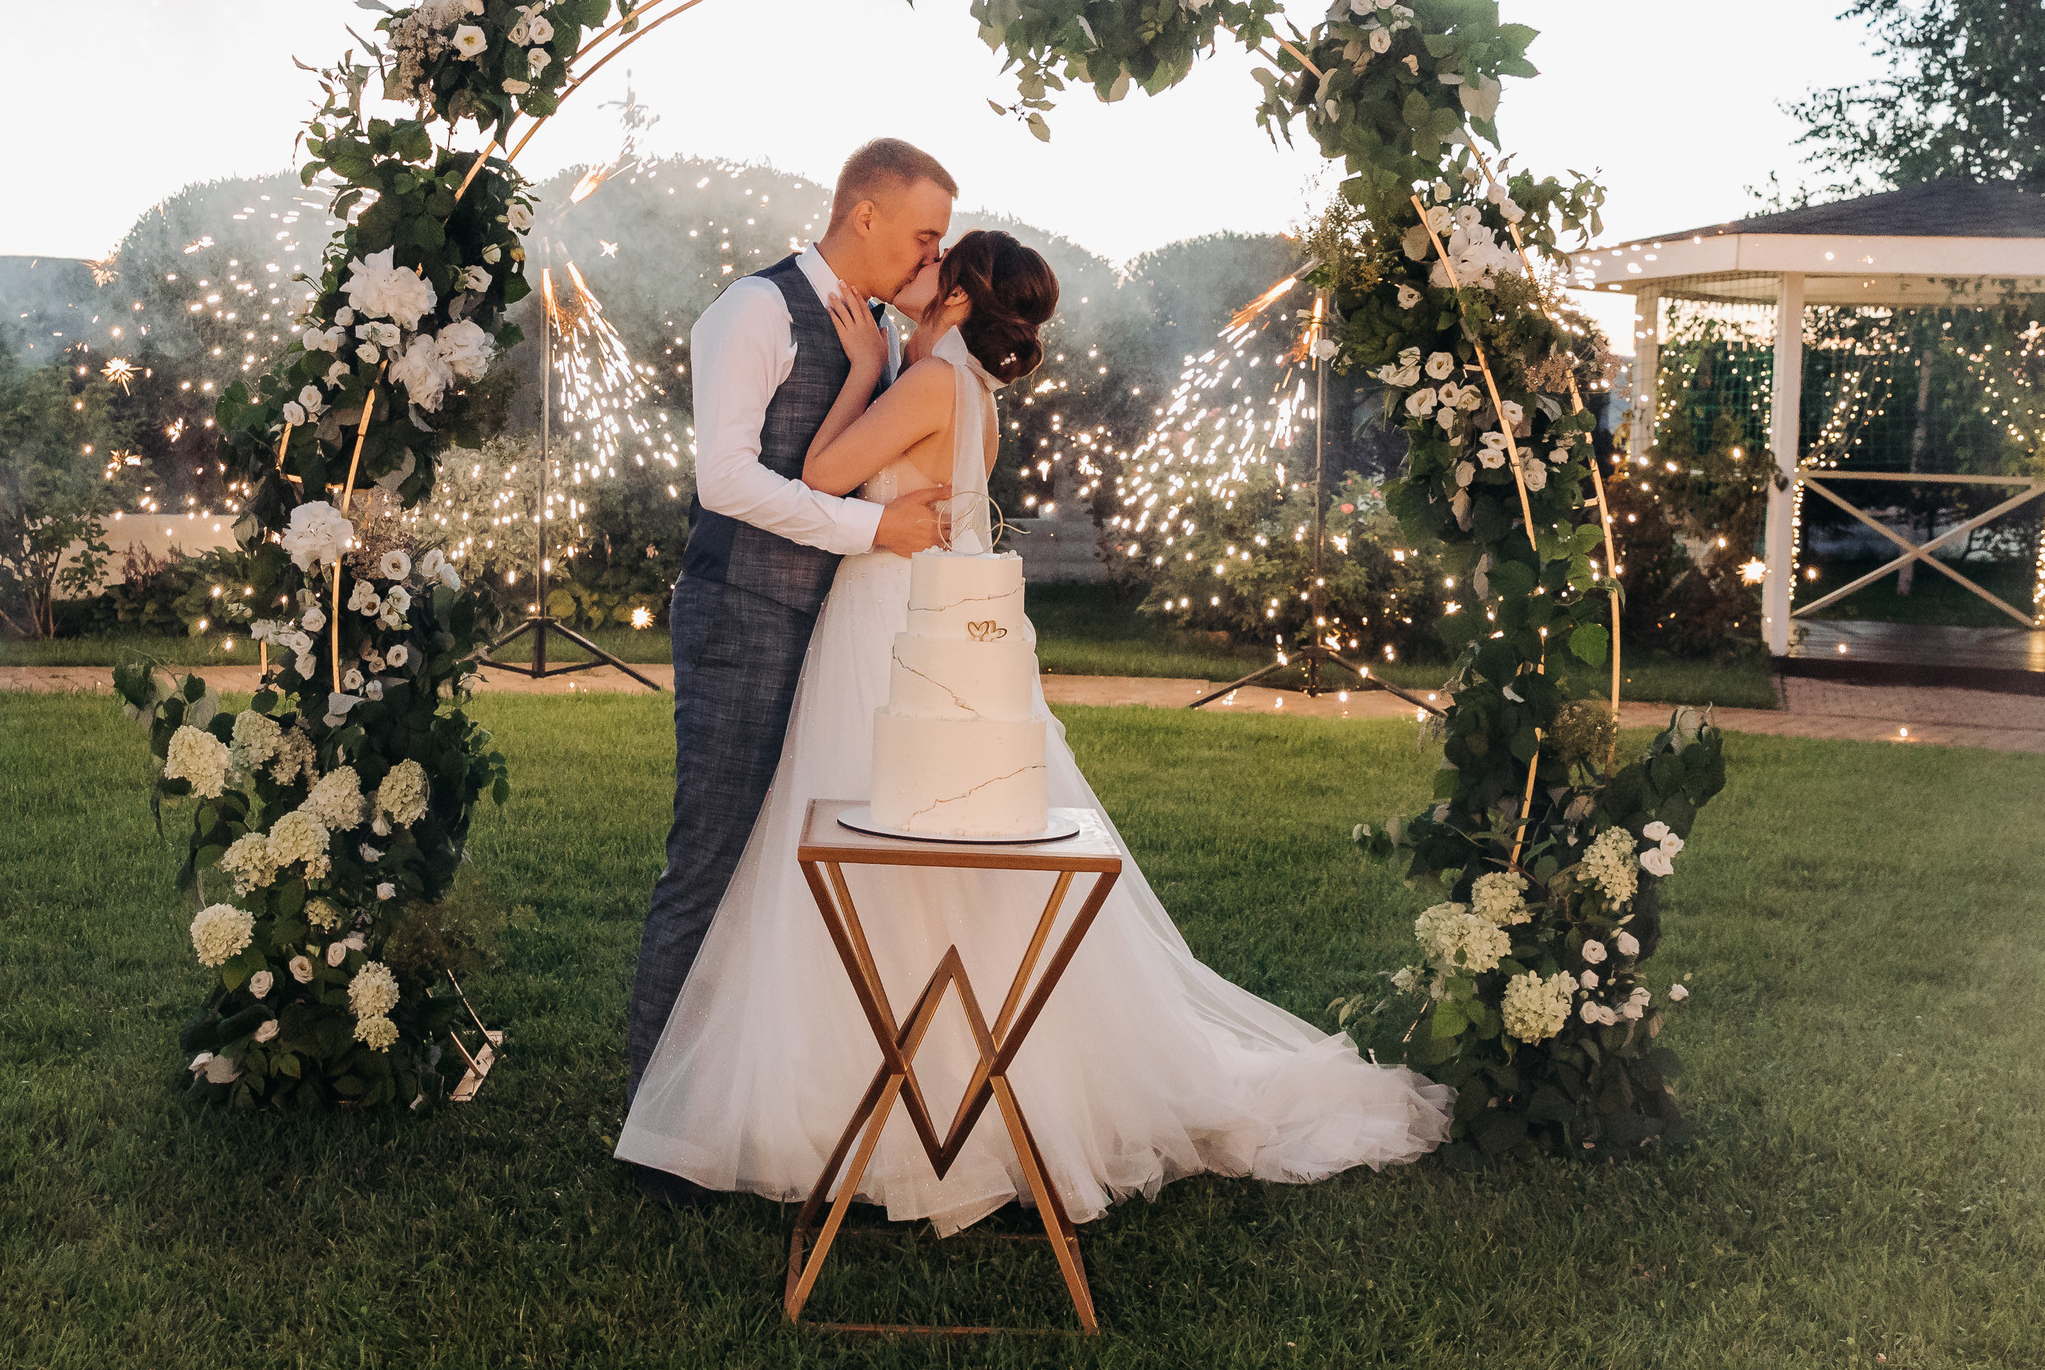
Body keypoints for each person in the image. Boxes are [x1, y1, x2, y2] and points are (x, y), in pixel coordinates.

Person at [617, 226, 1452, 1228]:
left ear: (960, 299)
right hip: (952, 631)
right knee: (944, 854)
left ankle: (897, 1102)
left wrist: (859, 369)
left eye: (934, 267)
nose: (914, 278)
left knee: (881, 845)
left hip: (895, 628)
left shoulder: (926, 383)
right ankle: (934, 1082)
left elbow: (827, 472)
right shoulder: (974, 395)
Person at [621, 139, 958, 1202]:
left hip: (817, 624)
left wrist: (908, 352)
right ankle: (653, 1124)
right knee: (711, 856)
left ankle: (737, 1092)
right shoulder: (752, 312)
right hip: (741, 612)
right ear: (863, 215)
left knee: (783, 863)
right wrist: (866, 529)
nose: (930, 254)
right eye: (921, 233)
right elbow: (724, 478)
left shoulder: (874, 337)